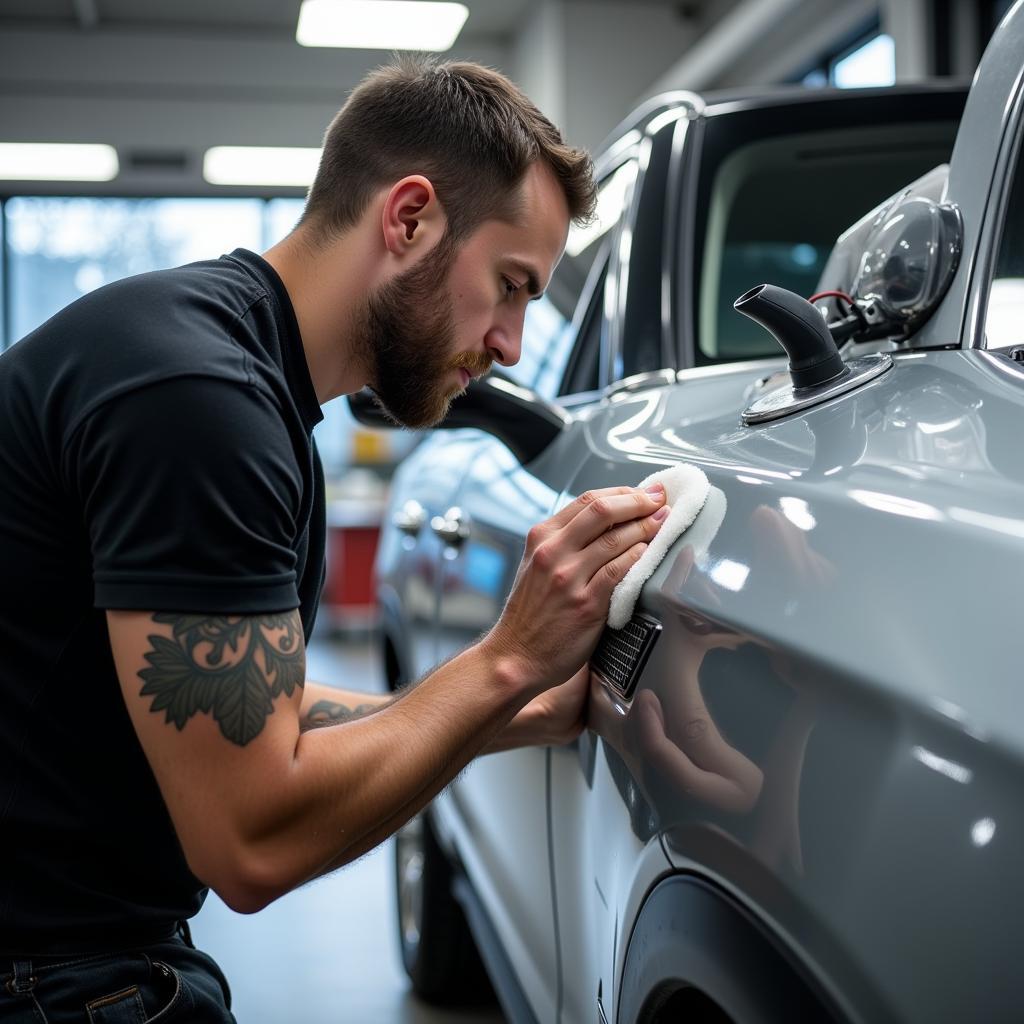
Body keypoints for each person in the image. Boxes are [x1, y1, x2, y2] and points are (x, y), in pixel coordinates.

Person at [0, 58, 670, 1019]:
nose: (514, 346)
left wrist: (520, 709)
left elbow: (250, 706)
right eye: (512, 285)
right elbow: (252, 839)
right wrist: (508, 662)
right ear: (409, 219)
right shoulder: (201, 407)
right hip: (56, 982)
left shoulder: (217, 366)